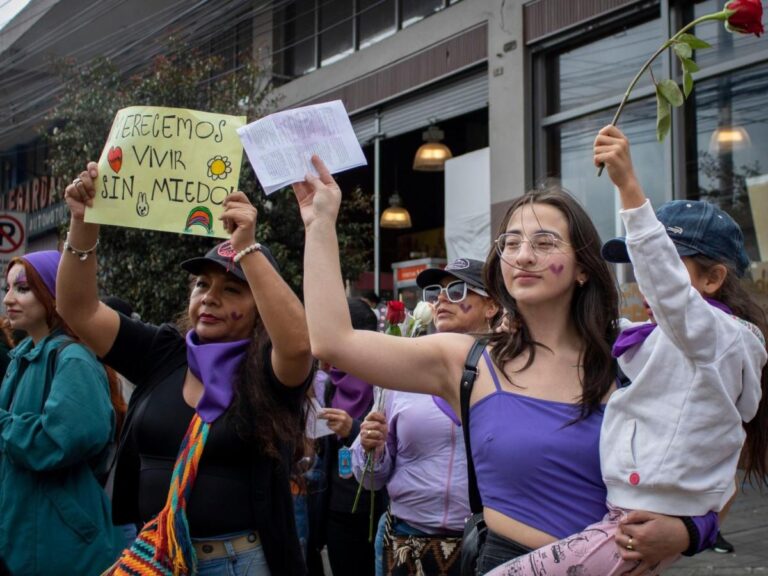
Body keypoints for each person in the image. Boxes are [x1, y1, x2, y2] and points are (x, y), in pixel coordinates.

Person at [293, 155, 715, 575]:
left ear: (583, 268)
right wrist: (319, 224)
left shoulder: (633, 360)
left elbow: (717, 464)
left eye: (545, 242)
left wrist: (691, 531)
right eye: (511, 243)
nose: (524, 256)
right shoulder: (465, 360)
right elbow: (333, 341)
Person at [487, 127, 768, 576]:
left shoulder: (720, 338)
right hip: (619, 524)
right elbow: (604, 328)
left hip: (623, 529)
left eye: (662, 267)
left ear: (713, 279)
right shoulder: (657, 338)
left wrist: (630, 190)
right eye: (638, 268)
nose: (648, 281)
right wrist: (523, 313)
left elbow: (674, 299)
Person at [57, 163, 314, 576]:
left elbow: (300, 344)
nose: (210, 298)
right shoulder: (164, 353)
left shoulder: (272, 372)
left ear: (259, 310)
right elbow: (78, 309)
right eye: (202, 285)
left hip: (237, 564)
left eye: (231, 290)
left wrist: (247, 247)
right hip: (154, 558)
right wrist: (82, 221)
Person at [353, 258, 500, 576]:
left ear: (491, 306)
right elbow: (371, 479)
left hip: (486, 543)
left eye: (458, 290)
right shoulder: (403, 369)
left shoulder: (510, 374)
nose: (442, 299)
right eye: (437, 292)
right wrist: (371, 448)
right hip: (407, 541)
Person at [0, 250, 124, 575]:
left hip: (62, 544)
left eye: (23, 288)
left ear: (53, 293)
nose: (8, 299)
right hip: (23, 536)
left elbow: (59, 440)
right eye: (7, 288)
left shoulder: (73, 360)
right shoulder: (22, 360)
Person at [306, 298, 387, 576]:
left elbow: (394, 447)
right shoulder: (329, 385)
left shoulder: (386, 384)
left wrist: (353, 430)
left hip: (375, 512)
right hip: (336, 511)